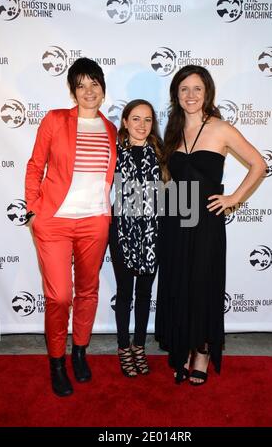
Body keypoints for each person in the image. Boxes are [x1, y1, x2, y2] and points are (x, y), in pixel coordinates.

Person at [155, 65, 266, 385]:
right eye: (184, 89)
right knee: (179, 283)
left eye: (197, 89)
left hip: (206, 224)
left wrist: (233, 198)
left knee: (203, 284)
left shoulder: (221, 128)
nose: (190, 95)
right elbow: (167, 178)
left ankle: (201, 352)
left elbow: (260, 164)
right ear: (176, 94)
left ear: (207, 93)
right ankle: (181, 348)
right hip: (176, 220)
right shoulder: (172, 133)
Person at [25, 57, 117, 396]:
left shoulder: (110, 130)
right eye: (82, 85)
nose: (89, 91)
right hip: (55, 221)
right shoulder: (55, 120)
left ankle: (80, 351)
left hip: (95, 220)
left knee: (88, 291)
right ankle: (56, 361)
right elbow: (35, 165)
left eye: (94, 84)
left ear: (103, 89)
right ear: (72, 90)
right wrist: (34, 210)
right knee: (59, 296)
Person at [109, 99, 163, 377]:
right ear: (126, 122)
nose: (142, 125)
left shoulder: (161, 154)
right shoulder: (114, 153)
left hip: (153, 234)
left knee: (144, 293)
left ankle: (139, 346)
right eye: (136, 119)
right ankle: (122, 348)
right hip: (121, 231)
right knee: (124, 293)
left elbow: (174, 194)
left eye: (148, 120)